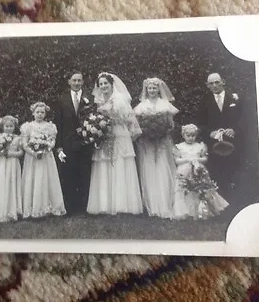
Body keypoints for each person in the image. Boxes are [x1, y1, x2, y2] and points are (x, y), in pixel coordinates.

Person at [87, 72, 143, 215]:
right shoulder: (98, 101)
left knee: (119, 165)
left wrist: (112, 120)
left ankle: (121, 205)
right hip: (104, 137)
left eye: (106, 83)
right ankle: (104, 205)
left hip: (119, 135)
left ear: (112, 85)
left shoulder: (119, 99)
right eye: (101, 84)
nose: (103, 86)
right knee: (104, 166)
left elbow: (129, 120)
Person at [134, 77, 179, 218]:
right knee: (148, 169)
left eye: (154, 88)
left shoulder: (164, 104)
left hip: (162, 143)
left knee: (163, 168)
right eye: (150, 88)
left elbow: (171, 125)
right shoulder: (141, 106)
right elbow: (137, 126)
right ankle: (152, 205)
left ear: (158, 89)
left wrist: (161, 131)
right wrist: (147, 133)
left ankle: (165, 202)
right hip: (146, 143)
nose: (152, 91)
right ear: (146, 90)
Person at [197, 73, 244, 200]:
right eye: (211, 83)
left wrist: (234, 130)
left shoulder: (235, 99)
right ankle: (219, 199)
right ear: (207, 86)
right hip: (214, 143)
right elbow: (200, 123)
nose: (215, 85)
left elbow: (244, 118)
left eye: (217, 82)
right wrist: (209, 133)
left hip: (234, 141)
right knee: (216, 170)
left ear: (223, 82)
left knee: (233, 168)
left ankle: (235, 198)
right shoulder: (204, 101)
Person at [54, 71, 93, 215]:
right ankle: (69, 207)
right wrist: (58, 147)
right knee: (68, 175)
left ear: (83, 82)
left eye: (79, 80)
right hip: (67, 143)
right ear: (69, 82)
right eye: (74, 80)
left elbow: (93, 119)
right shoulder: (61, 99)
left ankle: (83, 208)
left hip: (85, 142)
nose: (77, 83)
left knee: (84, 174)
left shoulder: (90, 98)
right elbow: (58, 123)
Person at [173, 124, 229, 219]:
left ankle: (202, 210)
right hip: (184, 170)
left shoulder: (200, 146)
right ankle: (185, 211)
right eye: (188, 135)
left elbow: (205, 159)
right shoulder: (179, 147)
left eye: (193, 135)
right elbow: (177, 160)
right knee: (184, 188)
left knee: (200, 189)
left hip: (198, 169)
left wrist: (197, 160)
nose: (191, 138)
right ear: (183, 135)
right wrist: (188, 160)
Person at [20, 102, 66, 218]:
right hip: (32, 158)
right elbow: (25, 144)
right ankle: (32, 208)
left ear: (45, 113)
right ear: (33, 113)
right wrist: (34, 153)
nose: (40, 114)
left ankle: (48, 207)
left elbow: (52, 142)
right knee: (33, 180)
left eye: (42, 112)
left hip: (46, 158)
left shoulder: (50, 126)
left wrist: (46, 148)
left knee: (46, 179)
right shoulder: (28, 127)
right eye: (37, 112)